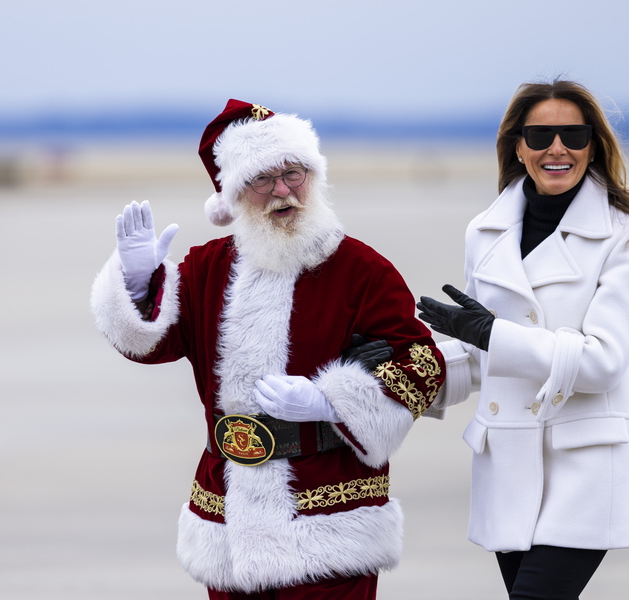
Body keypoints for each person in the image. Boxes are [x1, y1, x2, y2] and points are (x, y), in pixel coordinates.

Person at [90, 99, 444, 599]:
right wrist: (136, 283)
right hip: (228, 514)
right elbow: (152, 344)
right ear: (235, 195)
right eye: (262, 179)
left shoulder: (363, 269)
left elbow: (423, 365)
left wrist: (332, 401)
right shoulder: (205, 268)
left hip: (328, 517)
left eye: (294, 173)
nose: (282, 191)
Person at [416, 80, 629, 599]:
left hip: (583, 463)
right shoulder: (484, 232)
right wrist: (404, 367)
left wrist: (492, 332)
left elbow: (603, 363)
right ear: (518, 146)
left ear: (593, 145)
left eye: (572, 134)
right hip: (507, 461)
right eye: (540, 135)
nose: (556, 147)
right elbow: (477, 358)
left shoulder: (626, 233)